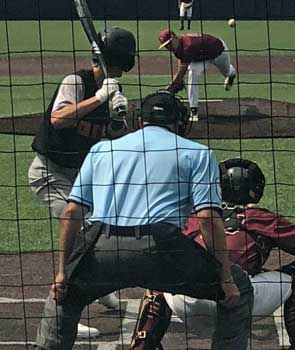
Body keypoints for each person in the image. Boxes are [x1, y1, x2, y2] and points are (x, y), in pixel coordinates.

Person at [34, 91, 253, 350]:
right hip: (163, 252)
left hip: (102, 251)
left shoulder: (102, 149)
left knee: (63, 298)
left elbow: (71, 213)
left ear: (140, 121)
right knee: (239, 285)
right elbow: (206, 217)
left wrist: (63, 273)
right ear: (180, 123)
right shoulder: (198, 153)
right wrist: (225, 278)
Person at [129, 158, 295, 350]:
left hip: (188, 303)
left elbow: (163, 250)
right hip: (240, 301)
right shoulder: (260, 217)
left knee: (158, 285)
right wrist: (286, 272)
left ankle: (142, 345)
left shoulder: (195, 214)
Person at [28, 27, 136, 338]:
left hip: (79, 177)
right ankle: (65, 314)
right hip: (49, 172)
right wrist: (98, 97)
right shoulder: (76, 82)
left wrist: (117, 120)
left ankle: (98, 288)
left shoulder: (113, 91)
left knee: (102, 226)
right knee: (81, 229)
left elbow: (115, 139)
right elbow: (58, 119)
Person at [158, 29, 236, 121]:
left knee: (227, 72)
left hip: (219, 52)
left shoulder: (188, 46)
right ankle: (193, 110)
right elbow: (181, 61)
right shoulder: (177, 46)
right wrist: (176, 82)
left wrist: (170, 88)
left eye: (169, 43)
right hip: (202, 59)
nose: (168, 47)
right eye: (165, 46)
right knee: (193, 72)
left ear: (174, 38)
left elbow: (181, 72)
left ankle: (232, 74)